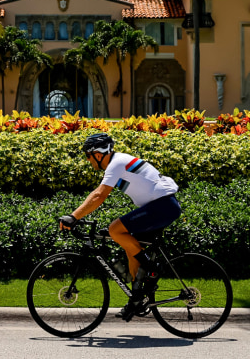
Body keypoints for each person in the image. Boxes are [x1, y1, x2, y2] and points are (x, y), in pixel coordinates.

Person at [58, 132, 182, 320]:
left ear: (98, 154)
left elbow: (100, 195)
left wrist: (73, 217)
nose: (88, 160)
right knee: (129, 246)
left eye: (88, 156)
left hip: (163, 205)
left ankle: (153, 267)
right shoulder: (117, 163)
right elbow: (97, 193)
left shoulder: (116, 163)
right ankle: (136, 298)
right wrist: (77, 215)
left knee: (115, 229)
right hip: (161, 206)